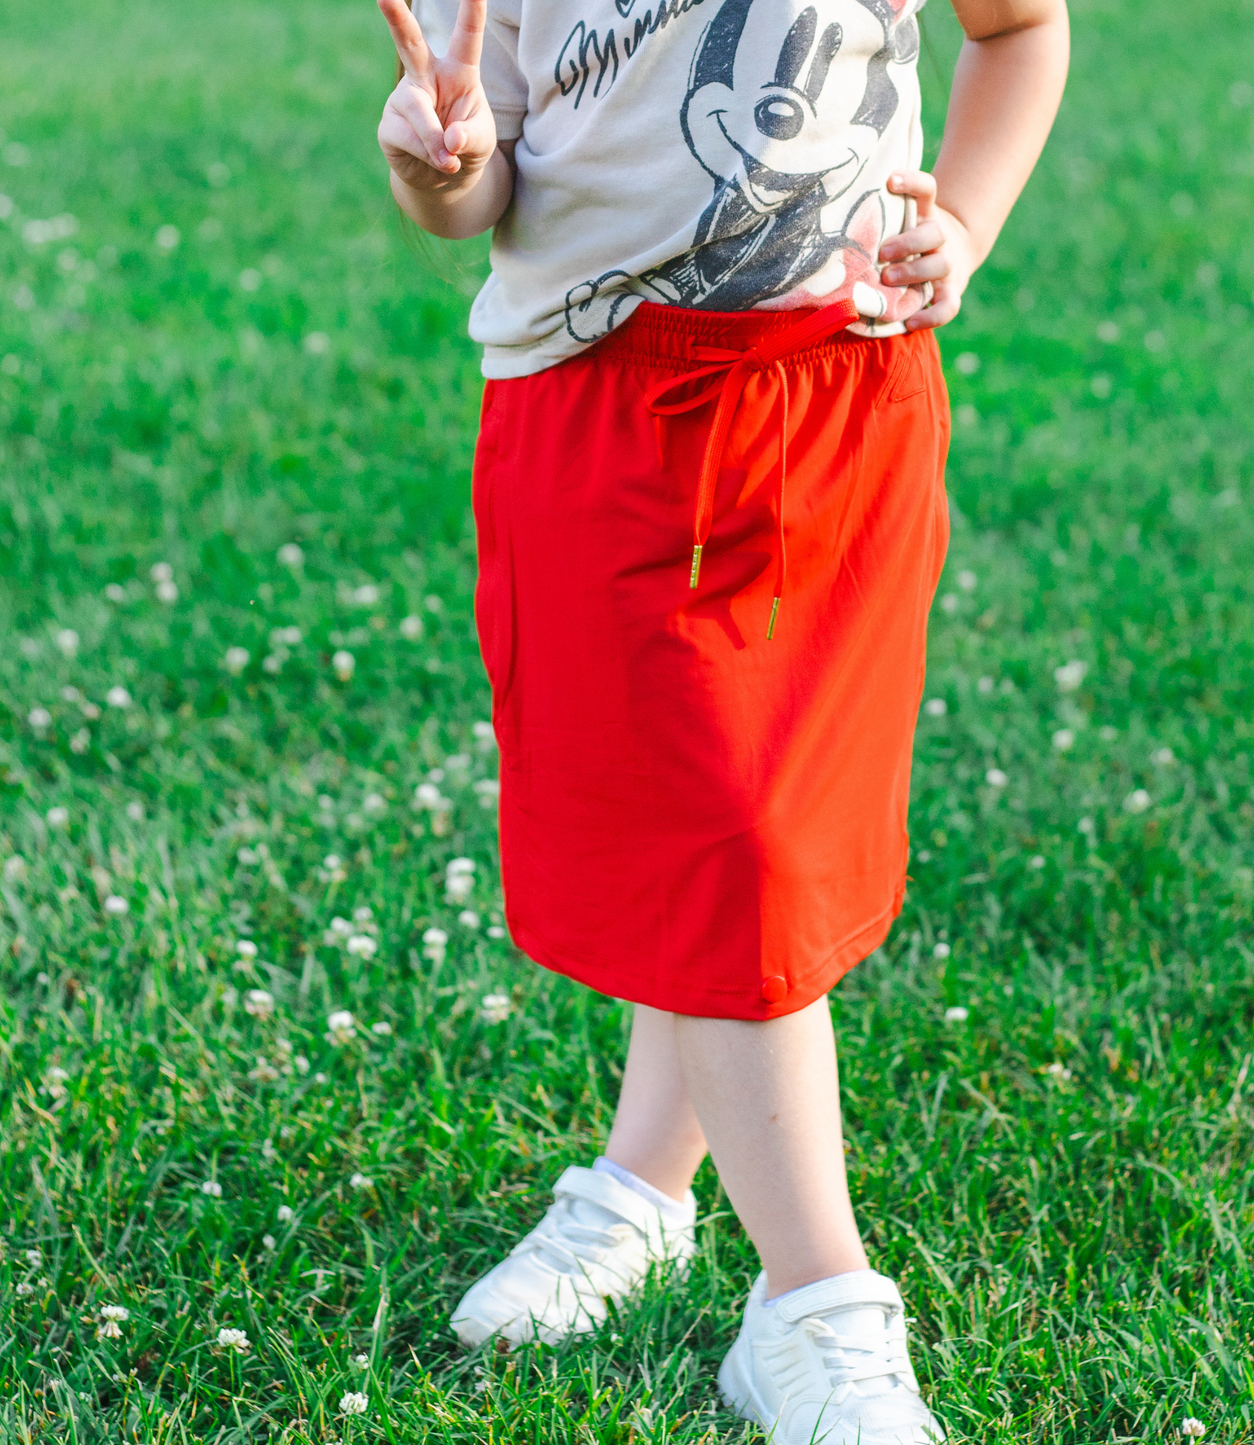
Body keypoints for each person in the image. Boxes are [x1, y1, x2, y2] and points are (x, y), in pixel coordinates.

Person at [375, 0, 1067, 1437]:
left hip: (847, 401)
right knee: (724, 832)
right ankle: (814, 1305)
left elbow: (1023, 31)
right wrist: (440, 167)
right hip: (604, 408)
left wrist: (974, 229)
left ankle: (639, 1189)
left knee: (762, 831)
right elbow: (477, 187)